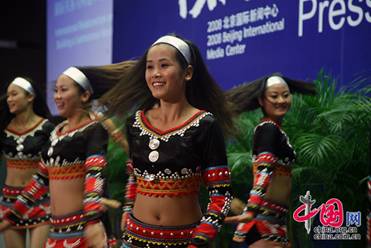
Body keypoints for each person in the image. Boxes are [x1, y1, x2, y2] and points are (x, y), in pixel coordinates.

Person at [100, 34, 234, 247]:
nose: (155, 74)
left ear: (187, 73)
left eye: (164, 65)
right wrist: (127, 210)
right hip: (135, 238)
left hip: (185, 241)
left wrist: (201, 238)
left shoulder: (205, 124)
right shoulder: (135, 123)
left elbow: (221, 196)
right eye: (150, 67)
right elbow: (134, 177)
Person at [0, 61, 135, 247]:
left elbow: (94, 173)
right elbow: (40, 179)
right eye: (55, 91)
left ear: (85, 95)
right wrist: (12, 215)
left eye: (63, 90)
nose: (57, 96)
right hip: (56, 233)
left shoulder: (93, 130)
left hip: (83, 231)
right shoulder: (56, 132)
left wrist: (93, 220)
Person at [224, 74, 315, 247]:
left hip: (274, 220)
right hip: (262, 220)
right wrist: (251, 209)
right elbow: (264, 170)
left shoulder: (274, 130)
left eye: (286, 95)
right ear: (261, 100)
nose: (281, 100)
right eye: (274, 96)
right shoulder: (268, 129)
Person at [0, 77, 54, 248]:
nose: (9, 99)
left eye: (14, 94)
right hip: (10, 200)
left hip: (40, 200)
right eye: (8, 96)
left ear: (30, 97)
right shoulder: (3, 128)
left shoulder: (47, 128)